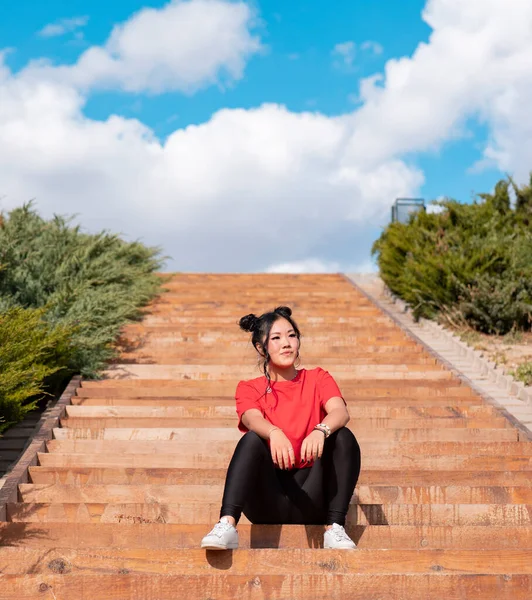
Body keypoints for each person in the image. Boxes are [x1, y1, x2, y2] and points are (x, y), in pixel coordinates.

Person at [200, 306, 361, 550]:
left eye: (291, 335)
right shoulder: (249, 387)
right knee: (252, 440)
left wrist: (320, 430)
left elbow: (340, 412)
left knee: (343, 437)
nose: (286, 343)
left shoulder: (318, 378)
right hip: (267, 500)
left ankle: (335, 527)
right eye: (276, 338)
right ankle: (226, 524)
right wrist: (274, 432)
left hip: (313, 499)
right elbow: (251, 418)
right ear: (260, 347)